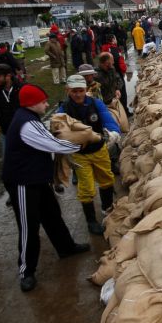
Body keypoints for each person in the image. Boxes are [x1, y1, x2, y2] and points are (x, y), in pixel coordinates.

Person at [3, 83, 90, 292]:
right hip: (22, 181)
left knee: (52, 214)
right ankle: (26, 271)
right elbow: (54, 145)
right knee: (28, 225)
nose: (47, 104)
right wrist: (86, 143)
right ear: (32, 103)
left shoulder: (30, 118)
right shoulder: (26, 124)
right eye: (43, 101)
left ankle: (66, 247)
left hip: (37, 178)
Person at [56, 75, 120, 235]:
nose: (78, 94)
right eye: (74, 91)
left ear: (85, 90)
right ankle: (91, 221)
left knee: (106, 179)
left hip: (99, 150)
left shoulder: (95, 103)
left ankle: (107, 208)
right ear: (68, 91)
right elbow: (58, 130)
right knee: (86, 187)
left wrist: (113, 132)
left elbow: (107, 119)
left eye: (81, 91)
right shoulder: (64, 109)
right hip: (79, 155)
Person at [100, 36, 129, 115]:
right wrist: (123, 71)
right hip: (116, 73)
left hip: (110, 75)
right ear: (112, 40)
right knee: (122, 94)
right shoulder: (114, 49)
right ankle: (124, 111)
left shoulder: (104, 49)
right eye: (115, 39)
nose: (116, 40)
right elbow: (120, 62)